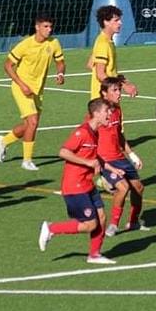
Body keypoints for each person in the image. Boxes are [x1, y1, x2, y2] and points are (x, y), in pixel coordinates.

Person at [38, 97, 122, 265]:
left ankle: (94, 255)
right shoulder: (82, 132)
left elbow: (94, 157)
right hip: (74, 186)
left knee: (102, 218)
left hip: (87, 184)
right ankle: (52, 228)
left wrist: (112, 169)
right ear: (96, 114)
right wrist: (88, 163)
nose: (109, 114)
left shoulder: (95, 132)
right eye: (106, 111)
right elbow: (63, 152)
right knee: (90, 225)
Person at [0, 13, 66, 171]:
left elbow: (60, 62)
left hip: (37, 90)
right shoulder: (25, 45)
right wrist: (21, 84)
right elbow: (7, 65)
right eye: (45, 27)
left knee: (29, 125)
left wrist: (61, 73)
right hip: (22, 88)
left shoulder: (54, 43)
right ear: (37, 27)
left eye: (50, 26)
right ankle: (27, 161)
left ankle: (4, 141)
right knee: (33, 122)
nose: (49, 30)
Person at [97, 77, 149, 235]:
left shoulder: (118, 109)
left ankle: (133, 222)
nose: (119, 93)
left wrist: (132, 154)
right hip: (105, 159)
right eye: (115, 90)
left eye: (119, 89)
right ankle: (113, 224)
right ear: (104, 94)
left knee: (139, 188)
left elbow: (118, 134)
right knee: (123, 187)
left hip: (119, 157)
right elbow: (87, 133)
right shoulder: (98, 112)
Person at [89, 5, 138, 100]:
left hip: (108, 99)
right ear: (106, 22)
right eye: (116, 20)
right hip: (104, 101)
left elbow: (90, 64)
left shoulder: (105, 40)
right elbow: (100, 75)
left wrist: (115, 77)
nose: (120, 23)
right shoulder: (103, 44)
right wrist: (124, 86)